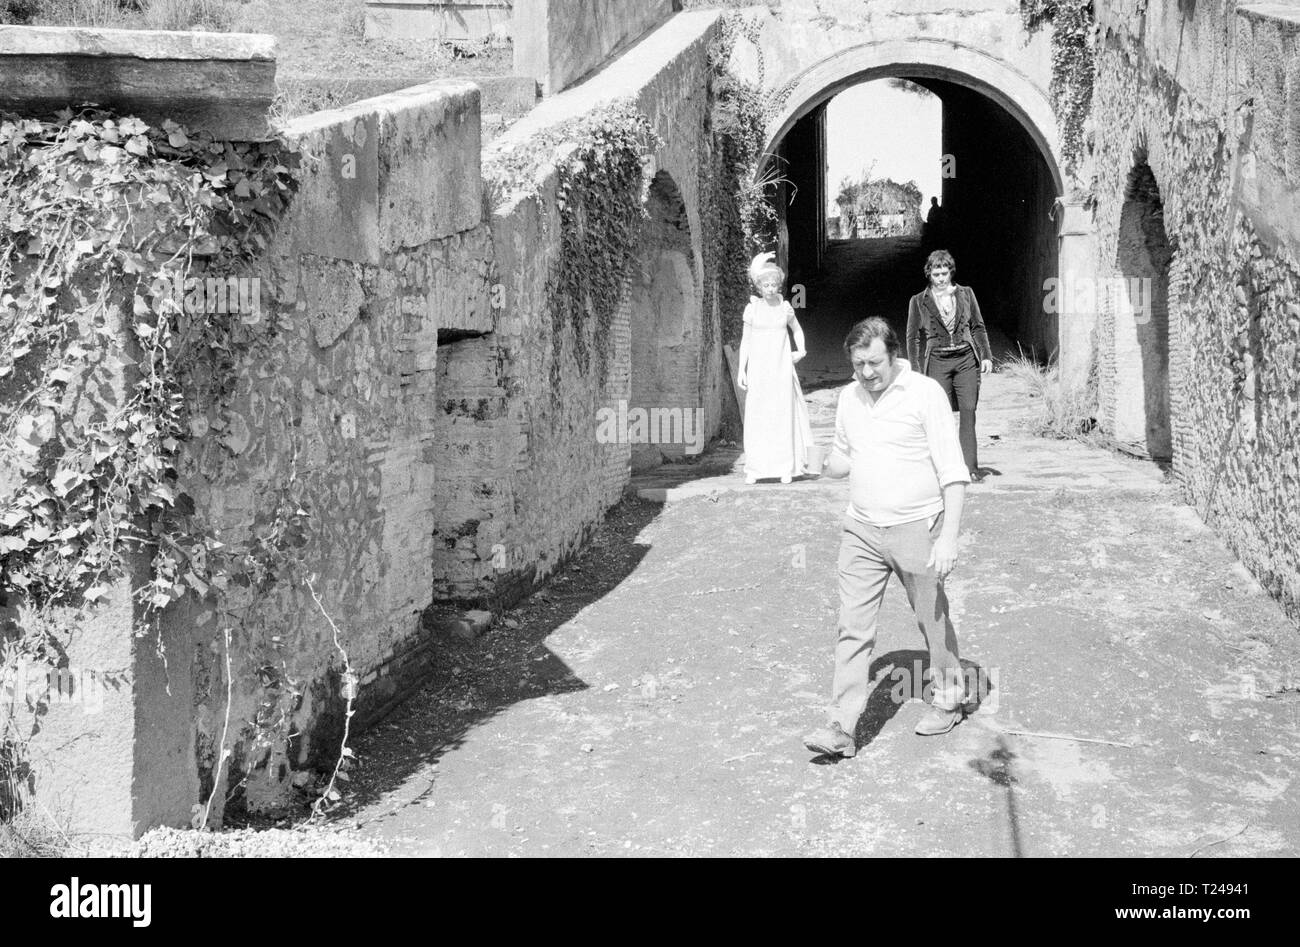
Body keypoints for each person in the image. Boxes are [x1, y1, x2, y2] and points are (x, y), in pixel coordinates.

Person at [802, 317, 973, 757]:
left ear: (894, 354)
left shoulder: (925, 393)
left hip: (918, 526)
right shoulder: (849, 398)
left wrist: (948, 537)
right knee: (852, 626)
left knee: (932, 622)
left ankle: (950, 697)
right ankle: (842, 726)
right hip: (860, 529)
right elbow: (844, 459)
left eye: (874, 362)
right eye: (858, 364)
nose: (867, 373)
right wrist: (819, 461)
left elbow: (954, 473)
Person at [906, 250, 993, 480]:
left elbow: (978, 327)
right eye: (936, 274)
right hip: (937, 360)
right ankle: (941, 468)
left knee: (968, 411)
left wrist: (986, 355)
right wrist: (915, 370)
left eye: (944, 273)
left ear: (950, 272)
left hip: (965, 359)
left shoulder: (966, 294)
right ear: (929, 274)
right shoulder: (918, 301)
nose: (941, 278)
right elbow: (912, 337)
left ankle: (971, 469)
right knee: (938, 416)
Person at [736, 253, 814, 484]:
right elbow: (746, 341)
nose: (770, 289)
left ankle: (784, 466)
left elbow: (797, 330)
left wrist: (801, 350)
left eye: (773, 284)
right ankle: (757, 468)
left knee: (782, 415)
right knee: (759, 416)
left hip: (780, 368)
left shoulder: (785, 308)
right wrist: (742, 369)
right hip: (759, 370)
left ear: (778, 285)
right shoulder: (753, 309)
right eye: (765, 285)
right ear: (759, 287)